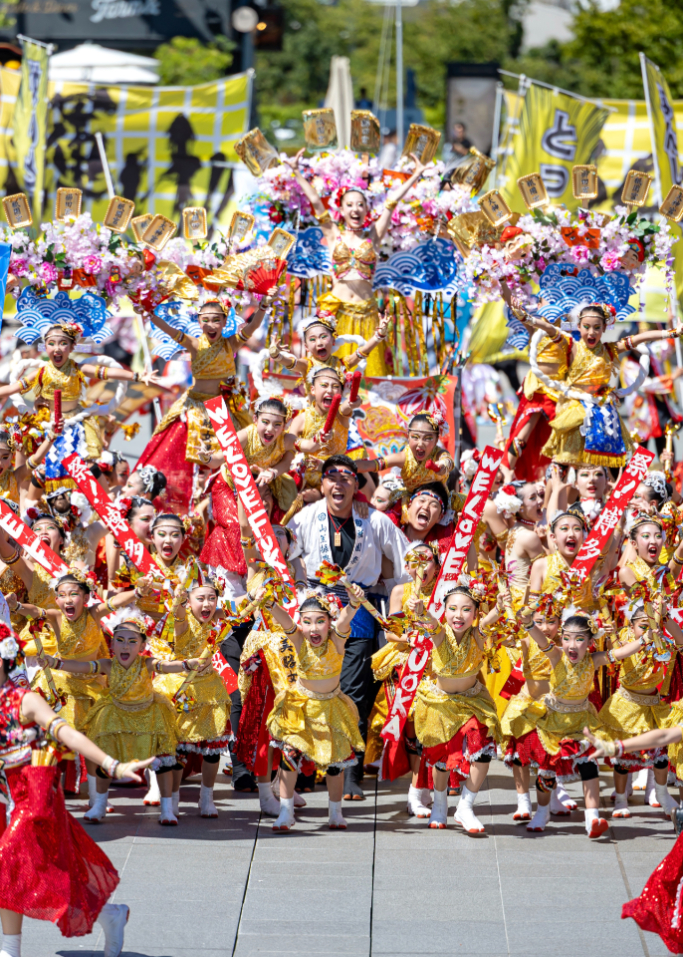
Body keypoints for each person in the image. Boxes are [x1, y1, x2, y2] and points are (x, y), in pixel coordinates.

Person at [0, 624, 152, 957]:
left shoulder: (24, 700)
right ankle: (110, 915)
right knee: (37, 873)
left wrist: (112, 765)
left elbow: (69, 735)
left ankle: (10, 951)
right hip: (2, 799)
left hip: (32, 800)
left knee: (7, 864)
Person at [288, 454, 409, 799]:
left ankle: (350, 768)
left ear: (357, 484)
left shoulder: (376, 521)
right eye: (331, 477)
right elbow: (287, 556)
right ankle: (308, 769)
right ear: (322, 484)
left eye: (346, 477)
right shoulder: (306, 517)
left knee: (352, 691)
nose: (338, 483)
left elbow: (405, 563)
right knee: (312, 688)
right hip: (315, 609)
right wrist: (301, 591)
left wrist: (398, 605)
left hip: (358, 609)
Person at [34, 610, 204, 826]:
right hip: (115, 716)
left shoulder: (147, 663)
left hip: (149, 717)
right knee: (106, 759)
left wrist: (187, 664)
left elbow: (168, 666)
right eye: (120, 641)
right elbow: (82, 667)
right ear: (112, 644)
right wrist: (54, 663)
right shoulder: (107, 664)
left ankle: (167, 808)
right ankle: (99, 805)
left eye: (132, 641)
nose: (126, 646)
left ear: (142, 647)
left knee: (162, 762)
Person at [282, 149, 427, 375]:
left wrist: (416, 175)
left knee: (368, 374)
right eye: (349, 205)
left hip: (367, 313)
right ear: (341, 210)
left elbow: (391, 202)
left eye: (360, 204)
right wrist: (296, 172)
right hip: (335, 315)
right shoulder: (333, 235)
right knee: (331, 373)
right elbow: (314, 202)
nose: (355, 209)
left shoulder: (374, 237)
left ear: (367, 209)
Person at [509, 605, 644, 837]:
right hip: (553, 721)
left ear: (590, 642)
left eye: (579, 639)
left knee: (588, 764)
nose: (572, 645)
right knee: (546, 770)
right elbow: (541, 639)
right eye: (567, 639)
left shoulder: (594, 660)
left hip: (582, 721)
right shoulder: (556, 655)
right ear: (561, 640)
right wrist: (529, 622)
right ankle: (542, 811)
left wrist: (647, 639)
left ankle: (592, 817)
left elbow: (621, 653)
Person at [136, 298, 271, 512]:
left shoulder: (231, 344)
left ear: (225, 322)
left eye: (216, 320)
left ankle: (225, 506)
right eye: (205, 320)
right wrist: (150, 315)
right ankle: (180, 506)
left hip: (222, 409)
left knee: (236, 458)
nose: (210, 325)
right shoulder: (195, 344)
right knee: (177, 456)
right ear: (199, 322)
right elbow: (171, 331)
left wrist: (263, 306)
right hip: (193, 407)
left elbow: (253, 327)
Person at [0, 323, 156, 492]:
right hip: (48, 427)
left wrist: (138, 376)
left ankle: (103, 507)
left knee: (88, 469)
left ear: (72, 346)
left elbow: (107, 372)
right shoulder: (41, 372)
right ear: (45, 346)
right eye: (51, 343)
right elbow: (11, 388)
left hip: (76, 426)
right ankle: (28, 510)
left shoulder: (78, 368)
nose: (57, 348)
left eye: (63, 343)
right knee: (39, 471)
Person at [264, 582, 366, 831]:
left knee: (335, 763)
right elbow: (286, 621)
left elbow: (344, 620)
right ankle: (286, 812)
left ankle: (335, 812)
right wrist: (269, 603)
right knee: (290, 755)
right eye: (307, 621)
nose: (313, 628)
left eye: (319, 621)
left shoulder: (337, 640)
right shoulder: (298, 640)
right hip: (301, 706)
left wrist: (353, 603)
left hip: (331, 708)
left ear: (329, 622)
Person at [413, 578, 505, 833]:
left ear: (475, 613)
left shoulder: (477, 634)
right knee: (442, 760)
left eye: (466, 609)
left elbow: (490, 621)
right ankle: (440, 804)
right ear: (444, 611)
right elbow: (431, 624)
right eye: (452, 608)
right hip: (440, 705)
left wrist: (498, 607)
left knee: (484, 751)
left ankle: (466, 805)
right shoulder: (440, 634)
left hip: (472, 702)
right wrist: (421, 611)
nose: (459, 615)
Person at [153, 569, 234, 821]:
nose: (207, 604)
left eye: (212, 598)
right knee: (179, 748)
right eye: (200, 598)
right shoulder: (182, 619)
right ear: (189, 601)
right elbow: (177, 613)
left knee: (213, 746)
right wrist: (178, 597)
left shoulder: (218, 617)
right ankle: (173, 798)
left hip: (210, 689)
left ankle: (206, 797)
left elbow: (242, 610)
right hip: (181, 689)